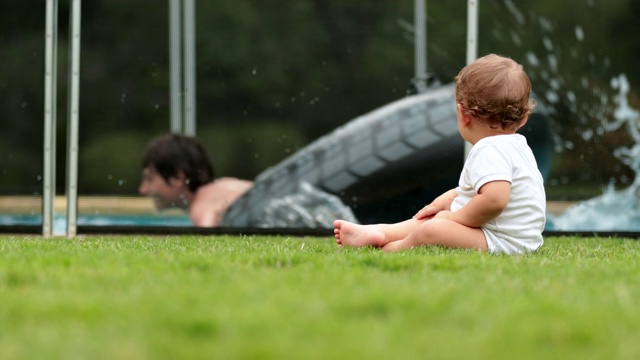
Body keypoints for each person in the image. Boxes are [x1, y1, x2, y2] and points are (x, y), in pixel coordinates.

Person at [333, 54, 546, 254]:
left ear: (464, 115)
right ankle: (379, 232)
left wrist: (455, 217)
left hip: (503, 242)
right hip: (517, 238)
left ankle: (390, 249)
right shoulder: (517, 146)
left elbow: (494, 200)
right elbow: (480, 190)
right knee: (435, 216)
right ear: (524, 118)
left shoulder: (489, 149)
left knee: (433, 230)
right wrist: (450, 198)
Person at [139, 133, 253, 227]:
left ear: (178, 178)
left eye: (150, 179)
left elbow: (209, 242)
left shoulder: (201, 207)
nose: (143, 189)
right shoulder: (225, 185)